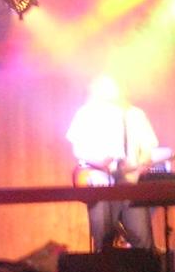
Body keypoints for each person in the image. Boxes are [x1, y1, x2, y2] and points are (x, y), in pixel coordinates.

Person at [67, 74, 160, 251]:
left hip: (130, 184)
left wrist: (143, 163)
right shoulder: (86, 113)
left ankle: (144, 267)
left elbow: (147, 147)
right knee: (102, 239)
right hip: (99, 184)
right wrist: (99, 162)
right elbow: (78, 149)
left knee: (141, 238)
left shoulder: (135, 115)